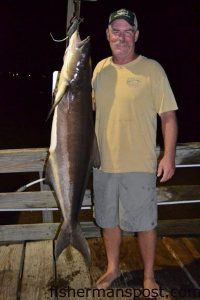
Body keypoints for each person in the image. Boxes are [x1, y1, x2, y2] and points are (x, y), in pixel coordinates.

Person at [92, 8, 178, 295]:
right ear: (107, 35)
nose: (122, 36)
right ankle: (113, 267)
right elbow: (85, 109)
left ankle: (150, 275)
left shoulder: (152, 69)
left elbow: (168, 116)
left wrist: (168, 155)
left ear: (136, 35)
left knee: (144, 224)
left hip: (140, 164)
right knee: (108, 221)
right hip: (103, 164)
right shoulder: (99, 69)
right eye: (116, 31)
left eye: (128, 31)